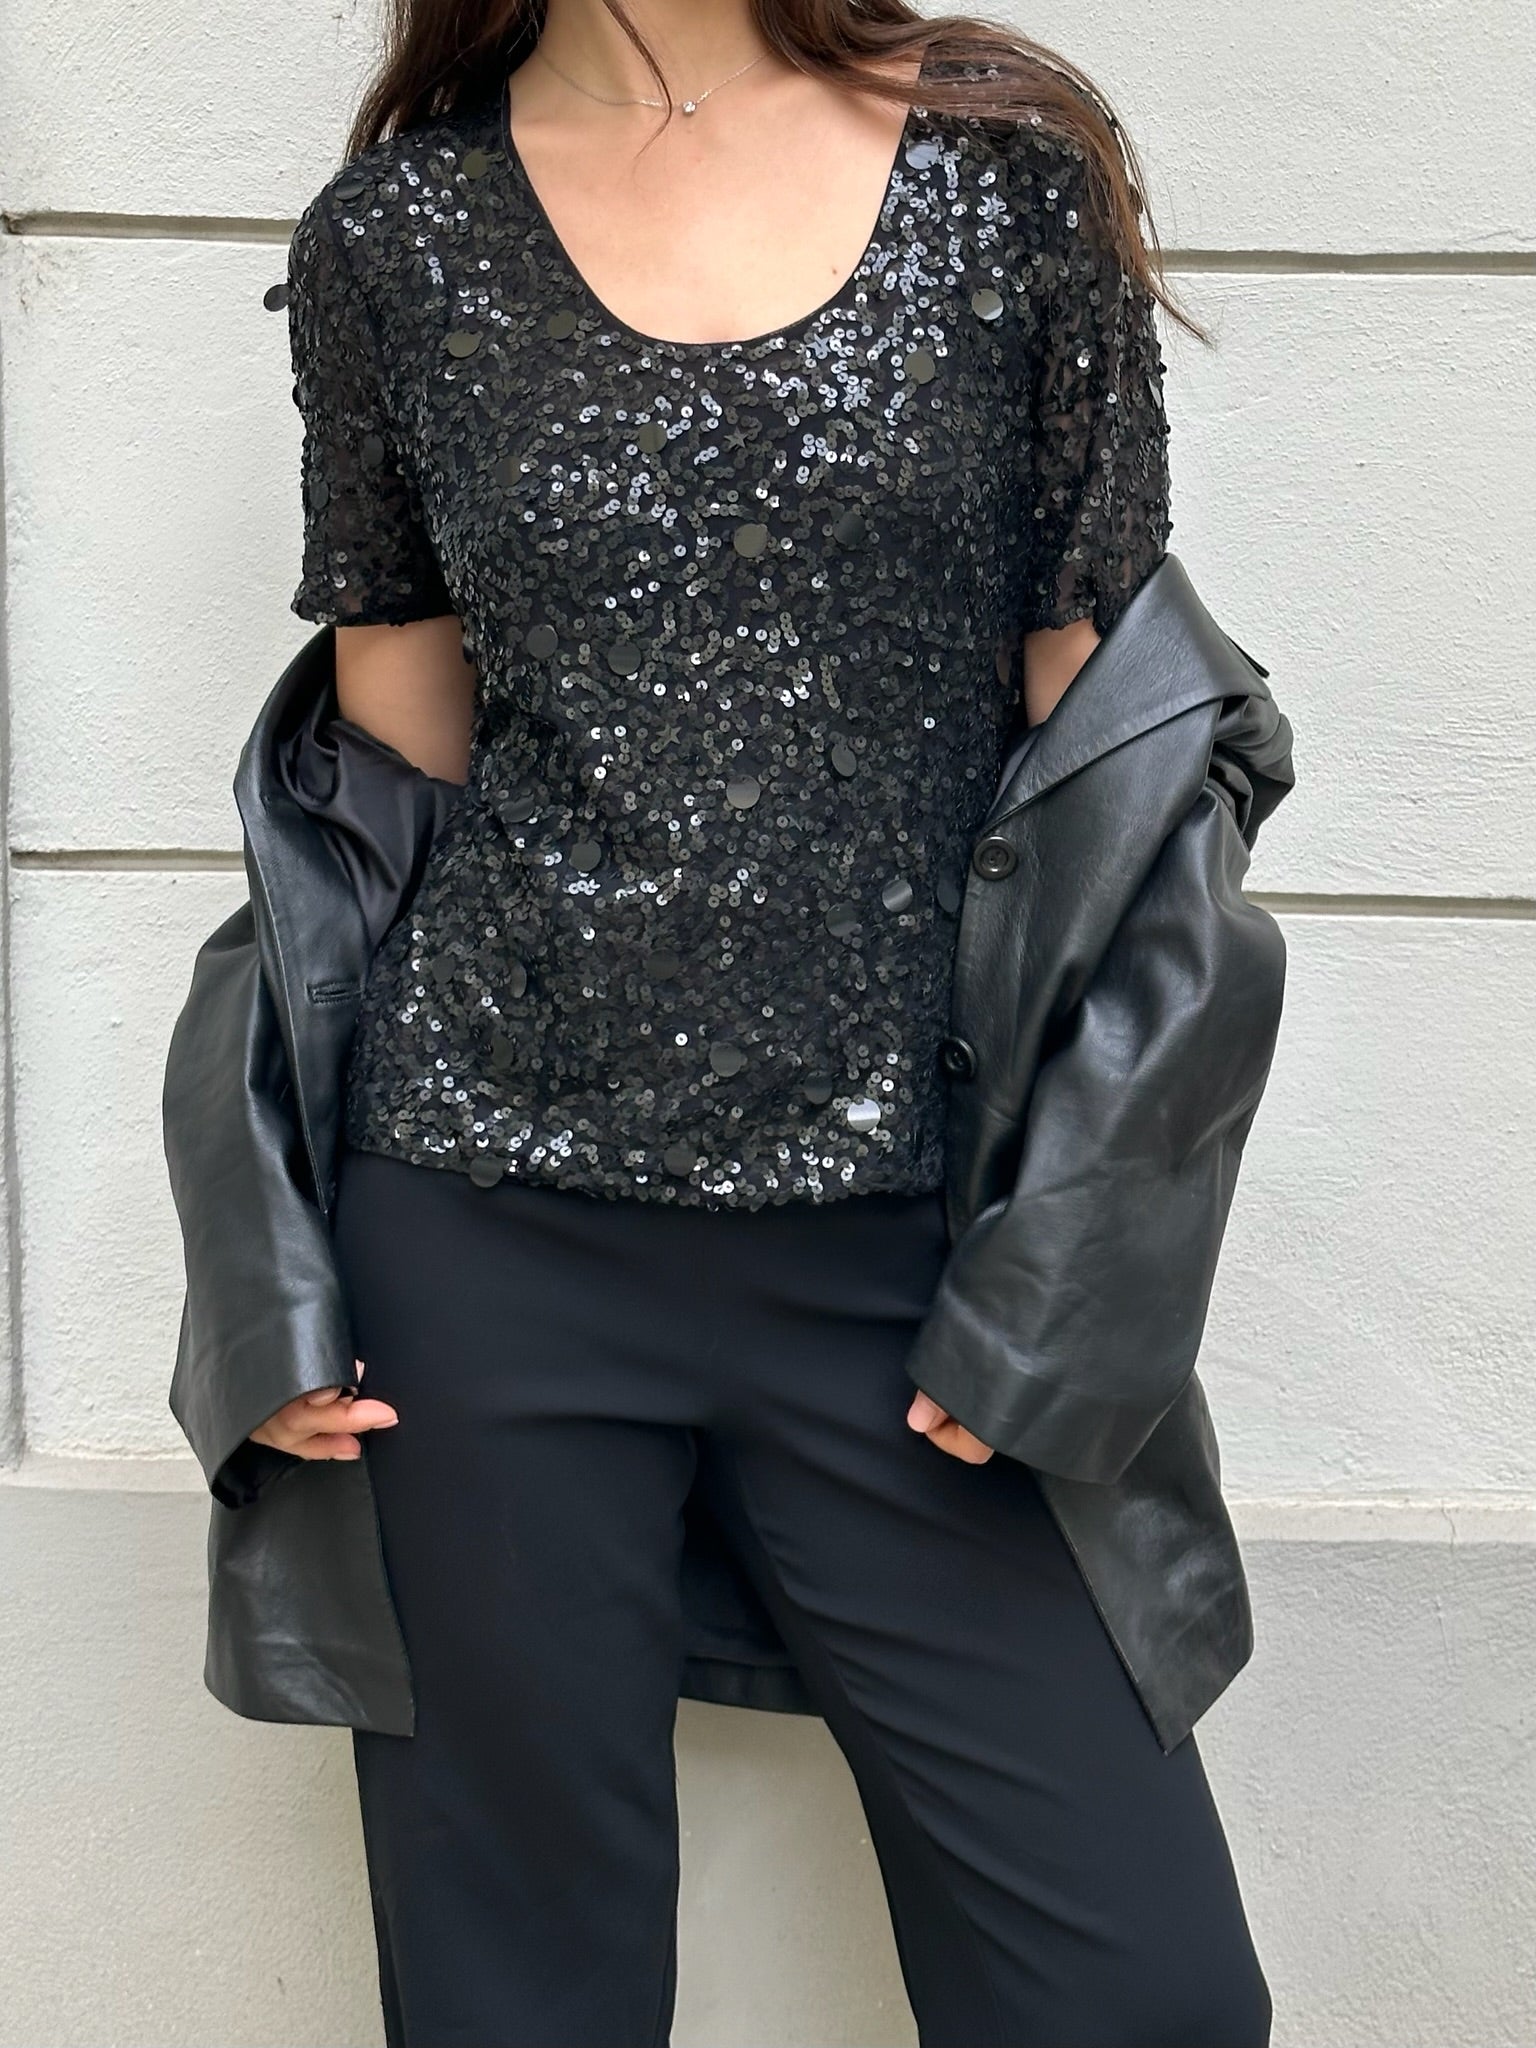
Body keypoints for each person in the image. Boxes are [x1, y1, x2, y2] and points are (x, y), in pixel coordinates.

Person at [188, 3, 1286, 2041]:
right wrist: (271, 1268)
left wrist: (1067, 1265)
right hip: (478, 1252)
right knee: (518, 2003)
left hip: (912, 1266)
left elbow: (1121, 791)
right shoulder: (395, 240)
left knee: (1139, 1999)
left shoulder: (1006, 173)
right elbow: (375, 809)